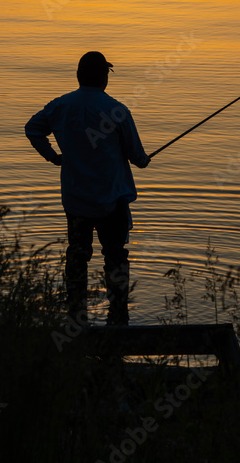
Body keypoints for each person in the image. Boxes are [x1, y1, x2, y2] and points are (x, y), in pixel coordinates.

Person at [24, 51, 151, 326]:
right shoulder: (117, 110)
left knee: (77, 254)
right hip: (112, 202)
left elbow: (33, 129)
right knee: (115, 256)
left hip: (76, 199)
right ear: (104, 78)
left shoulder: (60, 106)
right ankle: (118, 315)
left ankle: (75, 313)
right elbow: (137, 158)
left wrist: (54, 156)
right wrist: (144, 160)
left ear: (79, 76)